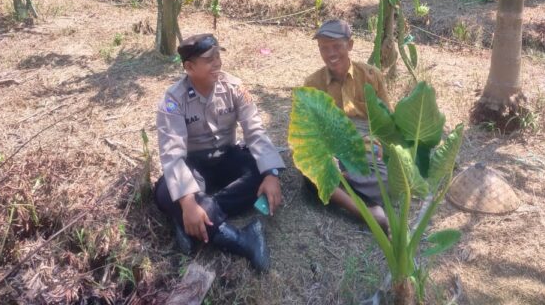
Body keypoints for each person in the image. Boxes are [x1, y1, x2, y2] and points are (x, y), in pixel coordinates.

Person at [154, 33, 285, 272]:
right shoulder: (173, 100)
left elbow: (255, 131)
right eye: (209, 59)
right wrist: (187, 201)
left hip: (227, 158)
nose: (217, 63)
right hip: (194, 168)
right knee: (165, 191)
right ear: (189, 68)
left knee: (261, 171)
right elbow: (172, 154)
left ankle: (193, 221)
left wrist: (272, 173)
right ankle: (245, 240)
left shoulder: (234, 87)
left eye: (218, 56)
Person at [303, 19, 390, 231]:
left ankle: (337, 188)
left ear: (350, 45)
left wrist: (376, 143)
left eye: (336, 47)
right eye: (324, 48)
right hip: (331, 142)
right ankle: (363, 211)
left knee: (386, 181)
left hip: (366, 144)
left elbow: (387, 122)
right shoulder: (312, 83)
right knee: (310, 168)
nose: (330, 53)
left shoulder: (371, 76)